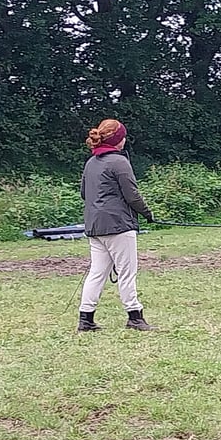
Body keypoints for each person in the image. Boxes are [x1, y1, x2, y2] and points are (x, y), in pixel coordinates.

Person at [77, 118, 156, 332]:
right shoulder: (119, 162)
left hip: (95, 226)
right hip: (119, 225)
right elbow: (132, 195)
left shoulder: (91, 163)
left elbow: (84, 193)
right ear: (118, 140)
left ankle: (86, 318)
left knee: (97, 272)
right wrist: (147, 214)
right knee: (127, 271)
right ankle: (134, 316)